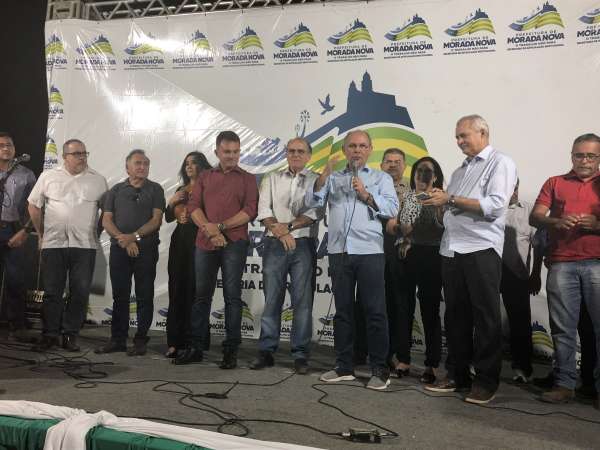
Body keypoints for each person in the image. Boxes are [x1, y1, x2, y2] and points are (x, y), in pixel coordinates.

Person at [423, 115, 517, 404]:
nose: (459, 141)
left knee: (486, 318)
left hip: (481, 248)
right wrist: (439, 207)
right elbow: (451, 210)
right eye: (457, 137)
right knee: (455, 317)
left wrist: (450, 200)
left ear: (483, 132)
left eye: (464, 135)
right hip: (452, 249)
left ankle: (486, 381)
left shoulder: (500, 162)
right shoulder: (459, 171)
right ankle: (457, 375)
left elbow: (495, 206)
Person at [306, 129, 399, 390]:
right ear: (344, 150)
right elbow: (314, 204)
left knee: (375, 311)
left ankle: (379, 369)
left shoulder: (381, 178)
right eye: (352, 146)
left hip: (370, 251)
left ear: (370, 150)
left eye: (362, 146)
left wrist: (366, 195)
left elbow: (392, 208)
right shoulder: (334, 178)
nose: (357, 150)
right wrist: (323, 176)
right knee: (343, 312)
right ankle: (344, 366)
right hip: (339, 251)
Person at [174, 131, 258, 369]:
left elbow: (250, 211)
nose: (232, 156)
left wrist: (220, 227)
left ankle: (231, 350)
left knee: (232, 297)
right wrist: (211, 232)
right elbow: (193, 207)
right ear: (217, 152)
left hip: (235, 243)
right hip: (205, 242)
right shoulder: (204, 177)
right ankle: (196, 348)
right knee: (201, 296)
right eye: (227, 151)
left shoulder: (248, 179)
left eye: (236, 151)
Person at [530, 133, 600, 409]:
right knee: (562, 329)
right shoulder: (555, 182)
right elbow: (535, 216)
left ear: (598, 158)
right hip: (561, 263)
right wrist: (557, 222)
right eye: (579, 155)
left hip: (597, 262)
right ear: (571, 156)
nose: (584, 160)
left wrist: (596, 225)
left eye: (591, 155)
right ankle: (564, 384)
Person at [250, 137, 322, 374]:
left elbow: (316, 212)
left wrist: (288, 228)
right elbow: (263, 209)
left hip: (304, 244)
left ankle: (300, 354)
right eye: (291, 151)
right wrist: (281, 233)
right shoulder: (272, 178)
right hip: (274, 243)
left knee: (302, 301)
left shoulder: (316, 180)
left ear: (309, 155)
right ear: (286, 154)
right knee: (272, 298)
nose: (296, 155)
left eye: (301, 151)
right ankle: (267, 350)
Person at [28, 139, 107, 351]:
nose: (82, 157)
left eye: (84, 153)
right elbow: (33, 205)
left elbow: (106, 212)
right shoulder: (48, 176)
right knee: (52, 292)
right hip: (54, 244)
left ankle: (70, 335)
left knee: (80, 292)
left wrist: (96, 232)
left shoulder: (98, 180)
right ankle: (50, 335)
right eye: (77, 154)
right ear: (64, 157)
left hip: (85, 246)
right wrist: (41, 233)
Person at [95, 150, 165, 356]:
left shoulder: (156, 189)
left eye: (146, 163)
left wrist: (134, 237)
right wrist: (124, 241)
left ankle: (140, 341)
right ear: (127, 168)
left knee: (144, 296)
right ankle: (118, 339)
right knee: (120, 296)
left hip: (146, 250)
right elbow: (106, 220)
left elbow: (156, 221)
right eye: (138, 163)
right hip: (120, 249)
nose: (142, 167)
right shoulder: (115, 191)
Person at [354, 148, 408, 370]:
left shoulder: (412, 190)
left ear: (404, 165)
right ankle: (359, 350)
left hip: (397, 248)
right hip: (370, 245)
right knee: (364, 300)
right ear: (381, 164)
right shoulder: (371, 183)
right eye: (388, 161)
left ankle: (390, 353)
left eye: (397, 161)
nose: (392, 165)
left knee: (394, 302)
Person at [397, 156, 445, 384]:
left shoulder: (440, 198)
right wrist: (406, 237)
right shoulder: (407, 196)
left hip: (433, 256)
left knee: (430, 311)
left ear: (435, 177)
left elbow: (441, 228)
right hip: (408, 255)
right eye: (419, 170)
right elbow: (404, 227)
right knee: (403, 308)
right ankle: (403, 359)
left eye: (428, 171)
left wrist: (435, 205)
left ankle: (432, 364)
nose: (422, 175)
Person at [164, 152, 212, 359]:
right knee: (176, 290)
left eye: (194, 163)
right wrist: (172, 201)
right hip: (179, 243)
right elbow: (168, 217)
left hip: (199, 241)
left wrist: (192, 216)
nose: (189, 167)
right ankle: (174, 342)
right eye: (186, 164)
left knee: (195, 292)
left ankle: (194, 342)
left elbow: (212, 215)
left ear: (203, 165)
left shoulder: (209, 188)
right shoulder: (181, 190)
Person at [501, 180, 543, 383]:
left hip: (516, 275)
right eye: (509, 187)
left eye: (516, 186)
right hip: (488, 271)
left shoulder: (529, 211)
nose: (514, 191)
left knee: (520, 322)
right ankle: (479, 364)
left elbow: (539, 245)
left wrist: (536, 274)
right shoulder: (488, 209)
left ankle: (522, 368)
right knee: (483, 319)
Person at [0, 132, 36, 340]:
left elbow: (35, 205)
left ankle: (17, 324)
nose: (6, 148)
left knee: (16, 279)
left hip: (14, 229)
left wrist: (26, 230)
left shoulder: (26, 174)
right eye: (1, 145)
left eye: (9, 145)